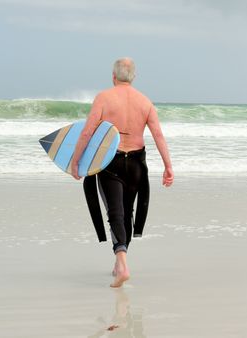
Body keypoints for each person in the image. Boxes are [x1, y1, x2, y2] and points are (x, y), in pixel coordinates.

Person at [70, 57, 174, 287]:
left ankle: (122, 263)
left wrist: (76, 161)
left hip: (111, 161)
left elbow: (87, 132)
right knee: (127, 213)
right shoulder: (145, 102)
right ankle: (120, 262)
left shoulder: (104, 98)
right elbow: (158, 135)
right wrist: (168, 166)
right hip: (137, 163)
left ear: (113, 76)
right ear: (134, 77)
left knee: (115, 212)